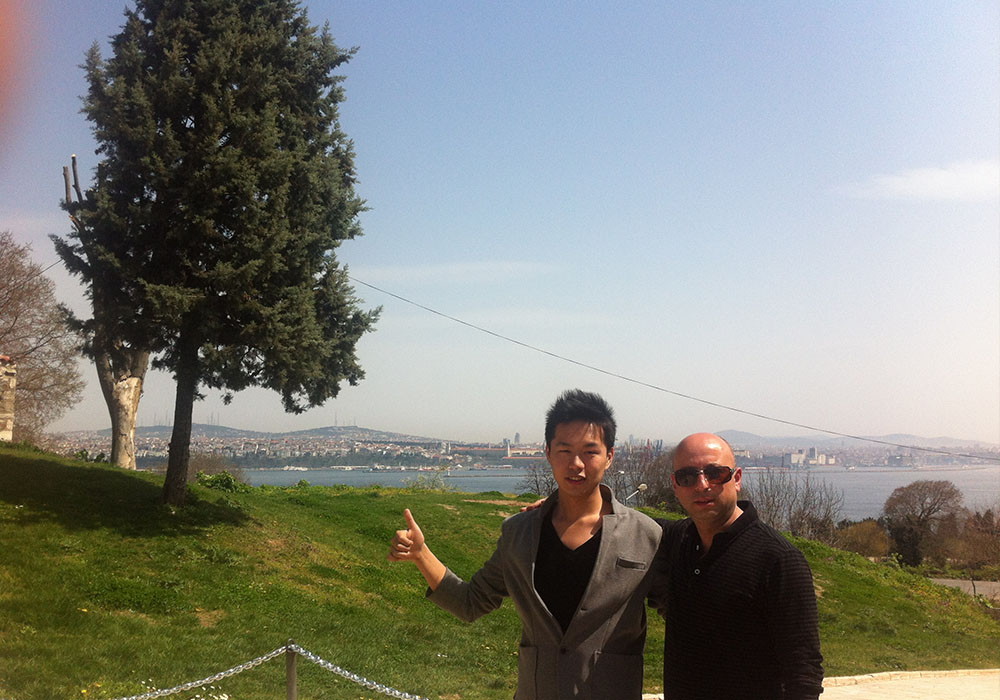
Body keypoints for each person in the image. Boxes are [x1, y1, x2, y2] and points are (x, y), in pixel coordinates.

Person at [387, 389, 663, 699]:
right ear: (548, 453)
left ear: (609, 456)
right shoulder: (519, 534)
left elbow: (685, 613)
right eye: (564, 450)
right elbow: (470, 603)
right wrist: (421, 555)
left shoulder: (646, 536)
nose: (576, 464)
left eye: (590, 451)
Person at [651, 432, 824, 700]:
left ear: (737, 478)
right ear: (675, 485)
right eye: (687, 476)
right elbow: (624, 524)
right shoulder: (679, 540)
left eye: (715, 473)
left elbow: (804, 673)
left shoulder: (778, 559)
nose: (702, 485)